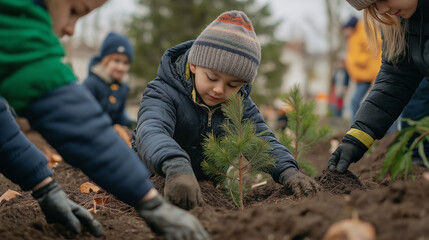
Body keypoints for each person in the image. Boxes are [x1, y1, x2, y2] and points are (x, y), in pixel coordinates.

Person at [0, 1, 209, 239]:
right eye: (74, 11)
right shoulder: (12, 19)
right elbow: (72, 118)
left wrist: (43, 185)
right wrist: (148, 200)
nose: (70, 30)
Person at [132, 10, 320, 210]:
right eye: (212, 78)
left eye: (232, 85)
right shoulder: (163, 92)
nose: (219, 90)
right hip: (148, 179)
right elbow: (151, 130)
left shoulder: (239, 103)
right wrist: (175, 165)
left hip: (205, 189)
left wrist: (289, 172)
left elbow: (262, 139)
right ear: (194, 65)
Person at [328, 0, 429, 173]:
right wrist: (355, 140)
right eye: (373, 6)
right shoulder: (399, 24)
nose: (382, 10)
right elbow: (395, 80)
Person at [83, 32, 134, 128]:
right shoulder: (91, 84)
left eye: (125, 63)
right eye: (116, 61)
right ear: (105, 60)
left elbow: (119, 116)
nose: (120, 67)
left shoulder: (123, 87)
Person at [342, 16, 382, 122]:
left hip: (368, 76)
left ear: (349, 27)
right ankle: (356, 128)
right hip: (362, 76)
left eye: (345, 30)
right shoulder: (353, 36)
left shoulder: (363, 32)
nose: (344, 33)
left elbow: (374, 52)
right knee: (356, 102)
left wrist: (375, 76)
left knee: (357, 102)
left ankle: (356, 128)